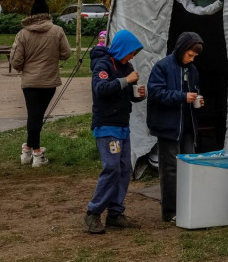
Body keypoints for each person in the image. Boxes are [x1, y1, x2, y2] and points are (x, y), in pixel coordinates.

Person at [84, 29, 146, 234]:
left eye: (134, 54)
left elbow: (126, 93)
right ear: (121, 49)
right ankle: (93, 212)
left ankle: (115, 213)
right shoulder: (103, 65)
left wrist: (138, 94)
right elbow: (100, 89)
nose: (132, 57)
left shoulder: (126, 66)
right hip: (106, 124)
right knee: (111, 167)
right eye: (131, 53)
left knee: (124, 169)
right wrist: (126, 81)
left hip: (122, 125)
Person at [147, 32, 203, 222]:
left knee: (189, 165)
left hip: (187, 125)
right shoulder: (162, 67)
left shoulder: (192, 69)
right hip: (168, 126)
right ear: (181, 50)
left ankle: (188, 205)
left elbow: (194, 90)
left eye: (194, 57)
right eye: (189, 55)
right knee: (170, 169)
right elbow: (155, 93)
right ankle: (170, 211)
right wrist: (182, 97)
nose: (191, 59)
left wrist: (197, 98)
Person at [10, 0, 71, 167]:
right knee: (37, 116)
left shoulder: (22, 34)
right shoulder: (57, 31)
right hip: (49, 81)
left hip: (29, 82)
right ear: (47, 12)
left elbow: (16, 61)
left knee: (34, 116)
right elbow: (66, 53)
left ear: (32, 13)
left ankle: (28, 150)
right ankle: (35, 152)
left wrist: (25, 68)